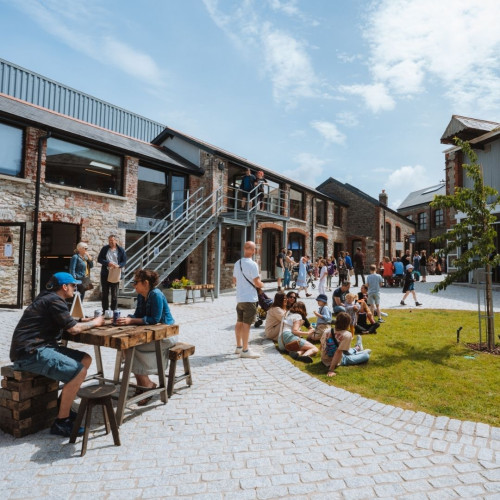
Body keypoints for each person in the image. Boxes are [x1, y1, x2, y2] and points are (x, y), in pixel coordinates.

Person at [9, 272, 105, 437]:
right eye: (74, 286)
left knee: (85, 359)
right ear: (64, 287)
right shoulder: (54, 300)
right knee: (79, 371)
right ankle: (61, 422)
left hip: (41, 347)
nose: (76, 289)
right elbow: (73, 330)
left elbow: (64, 320)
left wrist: (80, 320)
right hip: (29, 352)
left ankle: (62, 407)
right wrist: (95, 323)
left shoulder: (48, 297)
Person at [115, 269, 177, 405]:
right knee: (127, 346)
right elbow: (138, 315)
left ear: (146, 283)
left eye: (135, 282)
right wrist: (126, 318)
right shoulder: (140, 295)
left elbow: (154, 319)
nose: (133, 285)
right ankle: (143, 385)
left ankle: (147, 385)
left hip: (166, 335)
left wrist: (131, 321)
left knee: (130, 348)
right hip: (151, 335)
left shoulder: (156, 294)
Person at [233, 241, 265, 358]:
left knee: (239, 322)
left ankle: (239, 347)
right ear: (252, 250)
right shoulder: (253, 264)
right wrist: (262, 285)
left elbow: (234, 280)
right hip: (250, 298)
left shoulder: (237, 263)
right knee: (247, 324)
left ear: (244, 249)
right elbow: (257, 282)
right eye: (255, 249)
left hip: (240, 298)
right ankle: (246, 350)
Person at [321, 312, 371, 377]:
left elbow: (322, 344)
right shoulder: (347, 335)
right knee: (366, 356)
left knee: (345, 350)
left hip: (325, 359)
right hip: (339, 360)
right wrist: (331, 370)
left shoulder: (327, 331)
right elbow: (338, 352)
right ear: (347, 324)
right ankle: (359, 350)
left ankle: (357, 348)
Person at [98, 234, 127, 313]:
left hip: (115, 273)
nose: (110, 242)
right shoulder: (105, 249)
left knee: (114, 294)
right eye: (109, 240)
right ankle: (105, 310)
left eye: (112, 240)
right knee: (105, 293)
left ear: (116, 241)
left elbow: (124, 261)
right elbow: (99, 259)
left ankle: (114, 310)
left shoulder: (121, 250)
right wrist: (108, 263)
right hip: (105, 273)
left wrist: (119, 265)